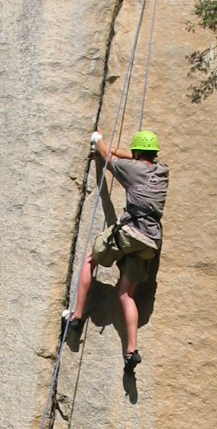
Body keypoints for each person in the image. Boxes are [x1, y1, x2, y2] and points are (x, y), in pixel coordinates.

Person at [65, 129, 169, 373]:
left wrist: (98, 140)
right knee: (126, 293)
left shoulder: (131, 170)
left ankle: (76, 317)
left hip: (132, 232)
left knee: (91, 258)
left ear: (137, 152)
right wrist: (116, 149)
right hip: (151, 241)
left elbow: (106, 156)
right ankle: (131, 351)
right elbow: (133, 158)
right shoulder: (163, 170)